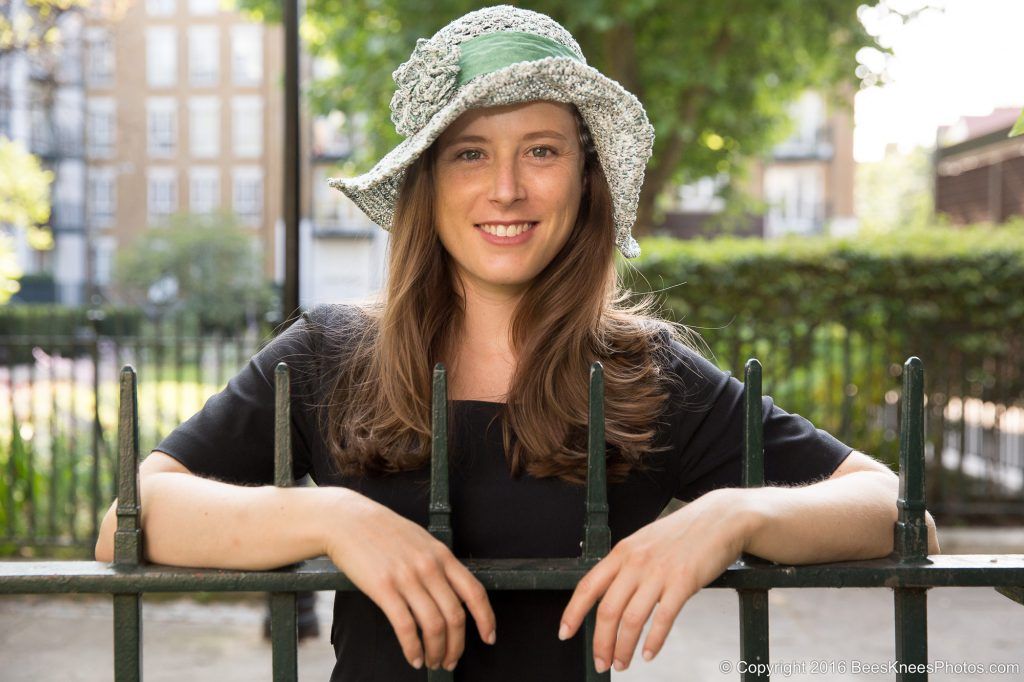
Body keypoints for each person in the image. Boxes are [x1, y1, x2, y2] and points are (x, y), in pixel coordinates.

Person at [95, 5, 940, 680]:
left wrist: (733, 512)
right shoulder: (328, 354)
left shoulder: (645, 374)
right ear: (427, 184)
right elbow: (129, 520)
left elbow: (899, 515)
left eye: (541, 149)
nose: (506, 188)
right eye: (470, 154)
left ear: (585, 176)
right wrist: (326, 514)